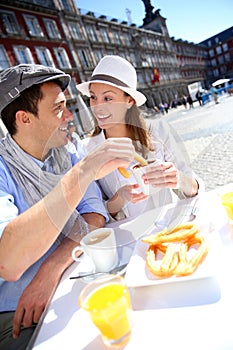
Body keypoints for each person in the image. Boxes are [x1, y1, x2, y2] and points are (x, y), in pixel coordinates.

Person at [0, 63, 135, 349]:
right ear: (24, 119)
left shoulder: (65, 150)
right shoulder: (2, 170)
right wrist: (83, 172)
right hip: (19, 312)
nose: (69, 116)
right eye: (58, 109)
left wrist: (51, 267)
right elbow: (8, 263)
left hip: (73, 275)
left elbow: (94, 215)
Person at [76, 55, 203, 221]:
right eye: (93, 97)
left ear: (129, 100)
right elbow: (96, 212)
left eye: (108, 98)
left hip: (170, 226)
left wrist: (177, 178)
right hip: (129, 239)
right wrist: (119, 199)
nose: (98, 107)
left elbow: (194, 188)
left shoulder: (158, 133)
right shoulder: (87, 149)